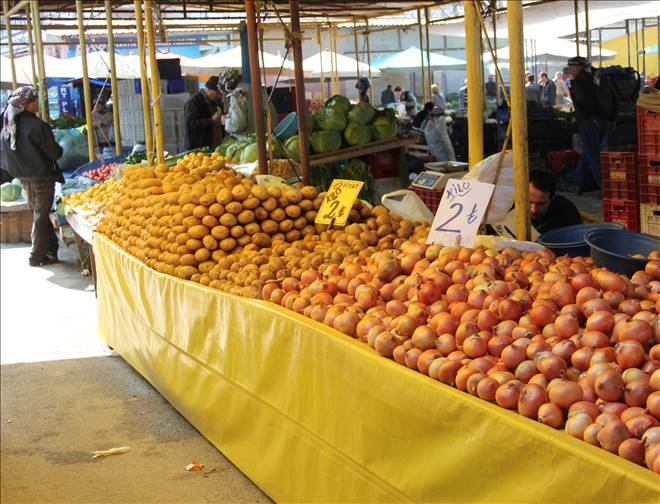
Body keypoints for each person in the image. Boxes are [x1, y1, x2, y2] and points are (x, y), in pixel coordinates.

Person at [1, 86, 64, 266]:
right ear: (27, 104)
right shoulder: (37, 126)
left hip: (24, 177)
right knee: (41, 215)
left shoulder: (9, 125)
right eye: (35, 100)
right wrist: (59, 149)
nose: (38, 103)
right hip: (42, 177)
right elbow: (55, 153)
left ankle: (51, 249)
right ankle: (36, 256)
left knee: (39, 212)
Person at [568, 56, 616, 194]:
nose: (570, 70)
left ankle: (605, 188)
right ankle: (578, 182)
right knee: (589, 152)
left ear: (577, 67)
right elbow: (614, 97)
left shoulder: (580, 80)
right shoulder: (601, 76)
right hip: (604, 121)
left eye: (571, 67)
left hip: (590, 121)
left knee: (594, 155)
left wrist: (586, 117)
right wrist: (612, 118)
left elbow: (583, 100)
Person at [529, 169, 582, 235]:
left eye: (541, 204)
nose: (533, 209)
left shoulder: (566, 212)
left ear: (552, 199)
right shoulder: (513, 206)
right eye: (529, 202)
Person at [184, 76, 223, 150]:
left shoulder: (216, 102)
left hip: (214, 147)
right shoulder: (193, 102)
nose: (220, 96)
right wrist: (211, 121)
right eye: (217, 93)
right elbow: (190, 124)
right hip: (199, 149)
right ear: (208, 89)